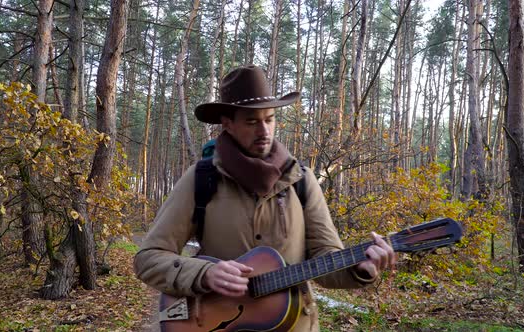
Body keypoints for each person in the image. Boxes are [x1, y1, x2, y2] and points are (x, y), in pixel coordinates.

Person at [134, 65, 397, 331]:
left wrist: (360, 267)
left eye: (269, 119)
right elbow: (149, 258)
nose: (264, 131)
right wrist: (204, 273)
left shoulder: (301, 181)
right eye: (251, 121)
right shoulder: (201, 179)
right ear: (228, 124)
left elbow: (325, 258)